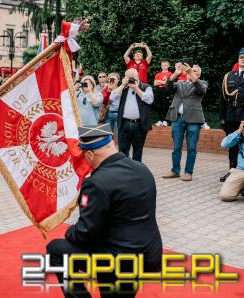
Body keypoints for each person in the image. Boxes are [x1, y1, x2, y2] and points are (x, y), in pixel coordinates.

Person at [46, 123, 162, 298]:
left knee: (56, 249)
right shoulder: (142, 169)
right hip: (147, 255)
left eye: (85, 155)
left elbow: (85, 233)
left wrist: (70, 232)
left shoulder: (96, 183)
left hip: (118, 261)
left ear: (91, 153)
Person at [162, 63, 207, 181]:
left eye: (195, 70)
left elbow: (201, 89)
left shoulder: (202, 84)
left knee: (191, 147)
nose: (191, 71)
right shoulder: (180, 83)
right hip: (177, 118)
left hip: (194, 120)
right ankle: (175, 170)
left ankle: (188, 172)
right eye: (190, 70)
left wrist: (190, 73)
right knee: (176, 147)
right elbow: (168, 85)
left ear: (199, 74)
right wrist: (176, 73)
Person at [110, 68, 154, 162]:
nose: (130, 80)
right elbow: (112, 97)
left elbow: (149, 99)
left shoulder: (146, 87)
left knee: (138, 150)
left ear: (137, 76)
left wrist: (136, 88)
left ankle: (136, 172)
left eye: (132, 77)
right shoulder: (124, 88)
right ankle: (124, 171)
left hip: (139, 124)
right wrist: (122, 85)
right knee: (122, 150)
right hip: (124, 123)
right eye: (127, 77)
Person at [219, 48, 244, 182]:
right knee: (232, 145)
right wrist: (222, 118)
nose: (243, 59)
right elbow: (222, 98)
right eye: (241, 57)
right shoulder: (229, 76)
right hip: (231, 116)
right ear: (238, 60)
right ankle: (232, 172)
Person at [220, 121, 244, 202]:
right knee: (225, 195)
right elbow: (224, 144)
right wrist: (239, 131)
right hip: (240, 171)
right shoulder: (240, 135)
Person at [153, 59, 173, 126]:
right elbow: (155, 83)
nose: (164, 66)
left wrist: (160, 81)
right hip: (159, 90)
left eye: (166, 65)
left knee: (165, 105)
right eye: (163, 65)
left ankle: (165, 120)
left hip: (166, 90)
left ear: (169, 65)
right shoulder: (158, 74)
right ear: (161, 66)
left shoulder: (170, 74)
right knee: (159, 105)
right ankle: (159, 120)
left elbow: (168, 83)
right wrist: (163, 82)